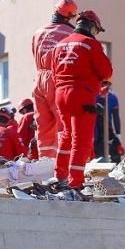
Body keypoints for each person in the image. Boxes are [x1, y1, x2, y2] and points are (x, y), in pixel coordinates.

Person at [49, 10, 112, 187]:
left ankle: (59, 176)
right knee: (81, 141)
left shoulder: (60, 45)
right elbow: (106, 71)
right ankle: (75, 183)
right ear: (92, 27)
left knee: (66, 136)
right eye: (97, 31)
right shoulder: (90, 44)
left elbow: (54, 73)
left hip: (61, 95)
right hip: (81, 95)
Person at [31, 0, 79, 160]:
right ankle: (65, 166)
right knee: (65, 126)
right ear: (71, 16)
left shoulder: (38, 33)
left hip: (39, 80)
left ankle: (45, 164)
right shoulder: (71, 34)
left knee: (44, 127)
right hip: (58, 80)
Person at [94, 80, 123, 163]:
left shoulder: (112, 97)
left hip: (104, 128)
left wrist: (118, 135)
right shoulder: (98, 95)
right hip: (97, 128)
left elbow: (116, 117)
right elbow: (116, 117)